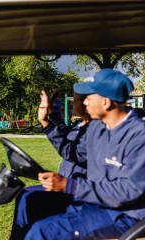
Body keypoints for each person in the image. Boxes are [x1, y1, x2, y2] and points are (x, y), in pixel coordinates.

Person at [11, 69, 145, 240]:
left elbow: (127, 192)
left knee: (43, 232)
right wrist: (48, 120)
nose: (85, 102)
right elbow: (72, 152)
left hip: (125, 216)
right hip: (94, 203)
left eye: (89, 97)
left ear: (105, 102)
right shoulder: (98, 128)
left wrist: (69, 185)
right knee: (33, 201)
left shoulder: (139, 136)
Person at [10, 91, 90, 239]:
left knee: (31, 198)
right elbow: (64, 131)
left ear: (88, 104)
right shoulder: (80, 124)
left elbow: (69, 151)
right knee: (25, 194)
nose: (72, 104)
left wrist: (45, 122)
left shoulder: (95, 131)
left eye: (76, 100)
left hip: (76, 191)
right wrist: (50, 112)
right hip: (64, 186)